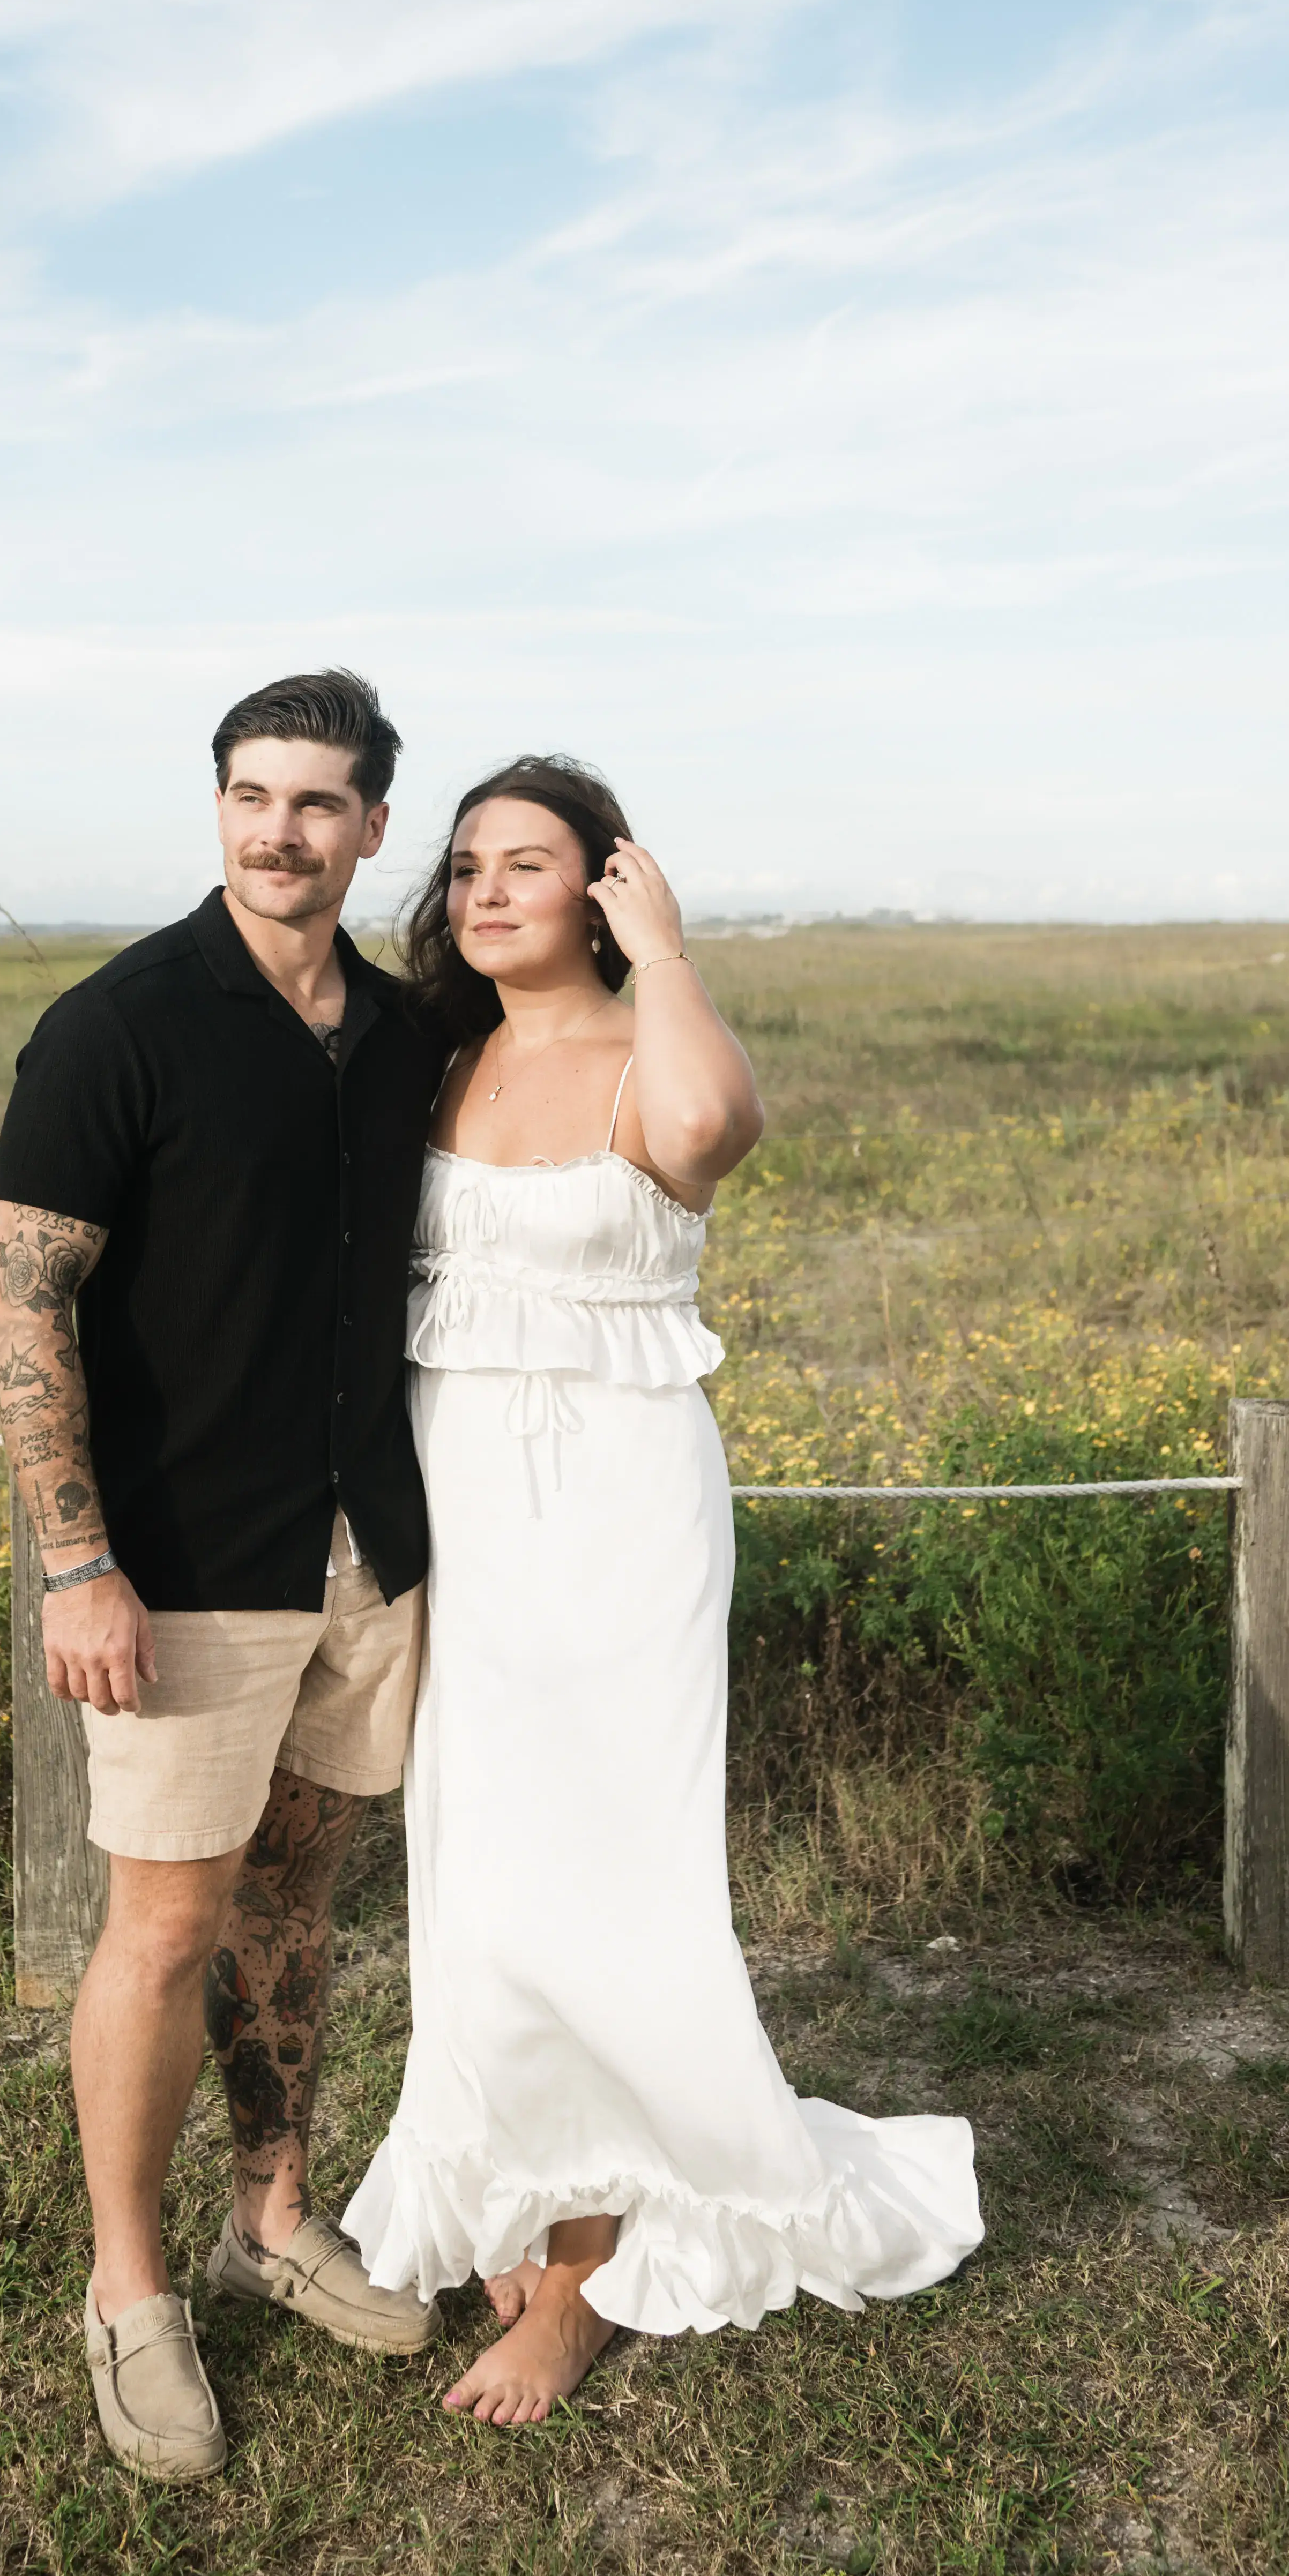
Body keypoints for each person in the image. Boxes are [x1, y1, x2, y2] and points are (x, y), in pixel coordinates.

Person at [344, 757, 983, 2425]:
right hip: (465, 1505)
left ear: (604, 884)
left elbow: (708, 1139)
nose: (486, 893)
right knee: (479, 1872)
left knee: (610, 1877)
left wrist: (671, 949)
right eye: (468, 866)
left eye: (530, 866)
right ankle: (526, 2178)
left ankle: (582, 2283)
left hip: (619, 1509)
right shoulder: (441, 1055)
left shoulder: (653, 1047)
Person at [0, 670, 448, 2480]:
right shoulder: (122, 1026)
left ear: (372, 830)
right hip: (182, 1570)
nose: (282, 831)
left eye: (320, 803)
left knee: (295, 1903)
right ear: (220, 809)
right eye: (254, 796)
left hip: (367, 1553)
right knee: (165, 1929)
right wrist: (78, 1560)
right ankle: (129, 2293)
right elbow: (28, 1302)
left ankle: (272, 2222)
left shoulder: (405, 1034)